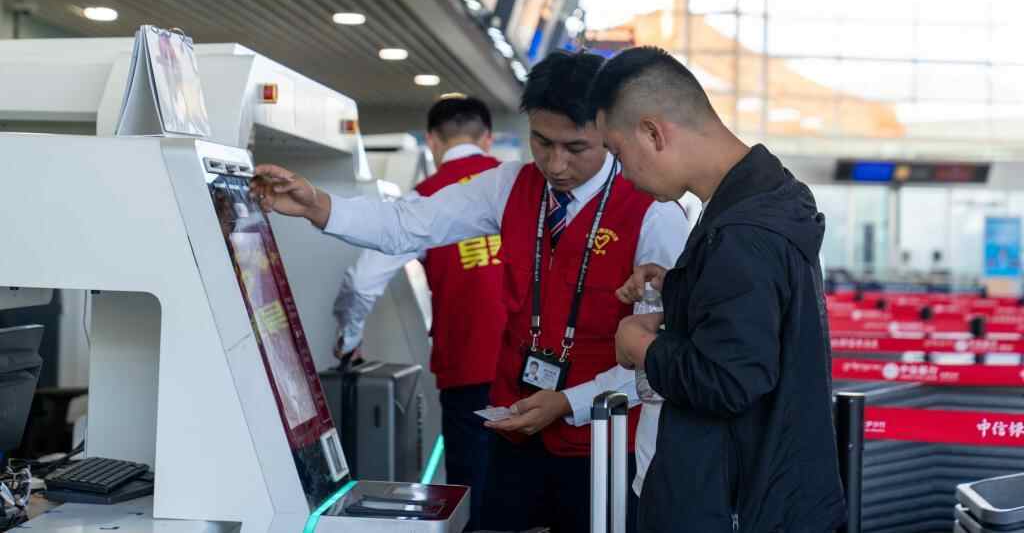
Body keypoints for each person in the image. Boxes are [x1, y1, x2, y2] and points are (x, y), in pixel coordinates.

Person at [251, 50, 689, 533]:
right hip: (515, 425)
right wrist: (318, 205)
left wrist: (570, 401)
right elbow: (408, 224)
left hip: (604, 440)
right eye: (542, 142)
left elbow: (660, 356)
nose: (555, 163)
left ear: (609, 130)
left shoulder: (652, 211)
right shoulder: (509, 186)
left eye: (575, 148)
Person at [590, 46, 846, 533]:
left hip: (738, 503)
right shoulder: (765, 196)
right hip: (775, 490)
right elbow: (761, 322)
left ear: (653, 132)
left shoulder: (741, 233)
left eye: (618, 154)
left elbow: (728, 381)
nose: (622, 173)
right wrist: (681, 290)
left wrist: (640, 345)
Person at [333, 94, 503, 530]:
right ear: (488, 139)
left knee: (474, 495)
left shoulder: (425, 198)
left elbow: (363, 279)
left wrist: (349, 339)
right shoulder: (519, 189)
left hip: (468, 371)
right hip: (538, 372)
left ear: (432, 141)